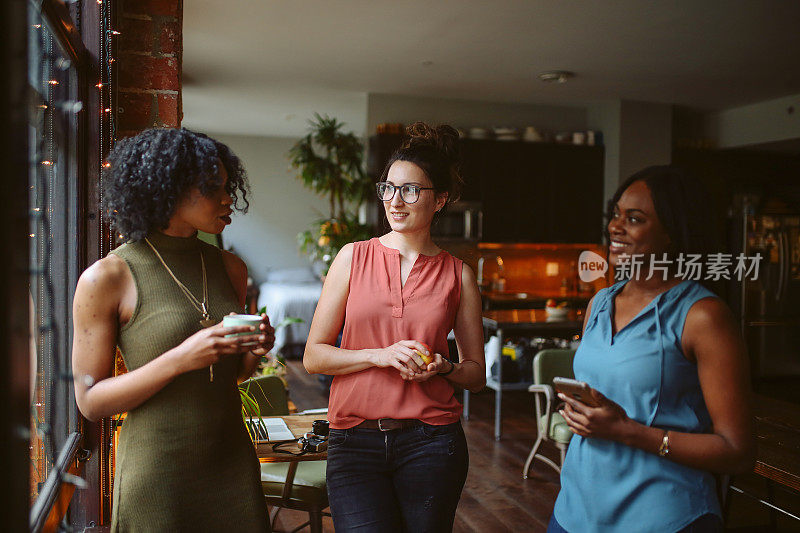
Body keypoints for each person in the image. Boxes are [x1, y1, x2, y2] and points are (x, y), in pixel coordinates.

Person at [71, 128, 273, 532]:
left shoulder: (230, 268)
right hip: (158, 473)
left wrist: (254, 349)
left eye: (227, 185)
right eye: (212, 186)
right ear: (167, 188)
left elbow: (230, 376)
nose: (228, 196)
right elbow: (90, 402)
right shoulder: (108, 277)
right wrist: (180, 358)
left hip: (231, 463)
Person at [549, 166, 754, 533]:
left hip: (663, 517)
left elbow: (737, 451)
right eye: (615, 214)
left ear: (672, 233)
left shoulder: (703, 316)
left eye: (635, 219)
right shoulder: (600, 302)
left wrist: (627, 430)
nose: (615, 227)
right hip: (575, 512)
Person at [304, 122, 485, 532]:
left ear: (439, 200)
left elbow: (476, 374)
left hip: (432, 442)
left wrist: (443, 367)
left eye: (410, 190)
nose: (395, 200)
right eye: (388, 187)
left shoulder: (459, 276)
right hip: (354, 442)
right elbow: (314, 356)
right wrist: (379, 355)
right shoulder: (352, 258)